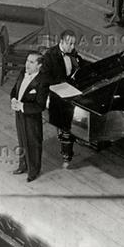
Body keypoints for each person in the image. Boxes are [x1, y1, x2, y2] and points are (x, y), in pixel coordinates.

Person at [42, 30, 84, 168]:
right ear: (62, 42)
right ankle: (66, 155)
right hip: (56, 94)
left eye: (73, 44)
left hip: (70, 90)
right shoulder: (49, 55)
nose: (72, 47)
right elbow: (46, 78)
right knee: (65, 120)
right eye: (70, 44)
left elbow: (78, 65)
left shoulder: (72, 52)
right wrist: (62, 84)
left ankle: (77, 132)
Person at [10, 52, 48, 182]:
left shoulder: (42, 82)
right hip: (19, 114)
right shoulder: (23, 72)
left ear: (39, 65)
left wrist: (22, 106)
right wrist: (14, 99)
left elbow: (40, 106)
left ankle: (33, 171)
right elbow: (14, 89)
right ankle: (23, 165)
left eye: (32, 62)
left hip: (31, 119)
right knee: (22, 141)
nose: (27, 64)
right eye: (27, 61)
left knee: (33, 144)